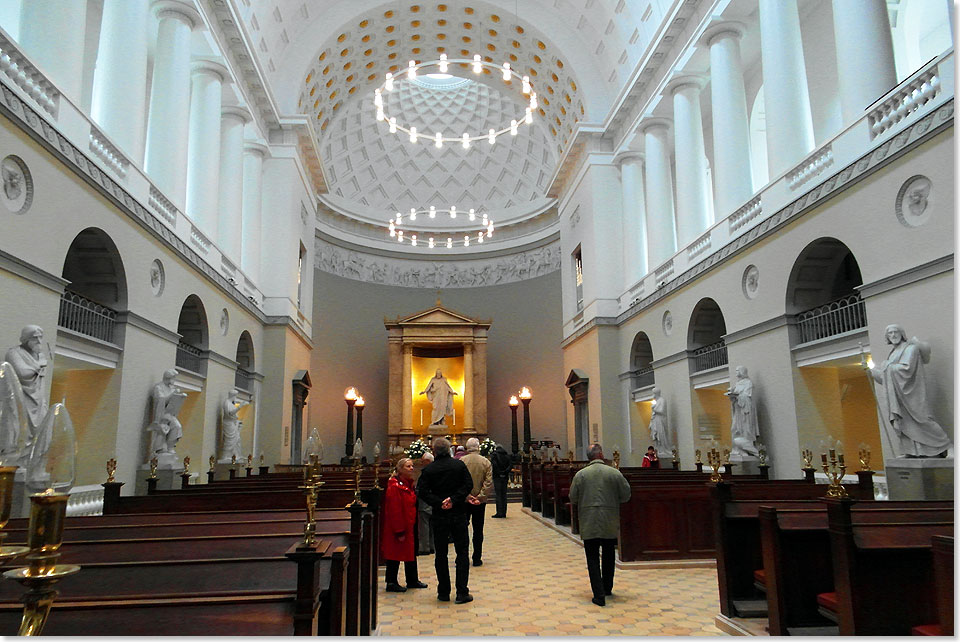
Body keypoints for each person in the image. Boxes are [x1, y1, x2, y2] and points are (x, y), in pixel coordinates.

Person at [868, 324, 952, 457]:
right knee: (906, 423)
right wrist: (872, 371)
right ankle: (914, 451)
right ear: (887, 337)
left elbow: (906, 369)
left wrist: (886, 368)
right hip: (898, 396)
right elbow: (886, 379)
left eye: (896, 332)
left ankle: (942, 445)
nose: (893, 335)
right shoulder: (892, 354)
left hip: (912, 393)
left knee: (922, 419)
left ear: (902, 334)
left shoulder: (910, 349)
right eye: (890, 333)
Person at [568, 443, 631, 607]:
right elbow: (626, 495)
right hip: (609, 517)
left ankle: (598, 594)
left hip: (589, 518)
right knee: (609, 553)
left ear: (588, 457)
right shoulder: (614, 473)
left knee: (592, 557)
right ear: (601, 455)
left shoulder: (581, 475)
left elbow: (573, 497)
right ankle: (607, 587)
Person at [416, 437, 474, 604]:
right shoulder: (459, 465)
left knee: (440, 554)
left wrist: (439, 502)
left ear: (434, 451)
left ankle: (443, 592)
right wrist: (454, 500)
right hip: (458, 514)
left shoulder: (429, 469)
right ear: (450, 449)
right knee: (462, 552)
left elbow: (422, 491)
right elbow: (468, 485)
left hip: (439, 515)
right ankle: (462, 592)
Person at [380, 458, 427, 592]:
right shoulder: (394, 487)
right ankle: (391, 582)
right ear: (400, 470)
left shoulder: (407, 484)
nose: (412, 468)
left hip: (409, 524)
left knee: (410, 552)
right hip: (399, 526)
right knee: (395, 554)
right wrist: (399, 530)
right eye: (408, 466)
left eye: (412, 466)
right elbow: (395, 510)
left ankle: (412, 579)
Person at [4, 325, 48, 459]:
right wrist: (38, 367)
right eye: (35, 338)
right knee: (20, 432)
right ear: (26, 338)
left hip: (38, 401)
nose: (39, 342)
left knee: (40, 433)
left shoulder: (40, 355)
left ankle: (32, 463)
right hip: (22, 399)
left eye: (41, 338)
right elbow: (22, 373)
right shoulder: (14, 353)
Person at [460, 437, 493, 566]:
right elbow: (488, 482)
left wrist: (467, 496)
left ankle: (463, 557)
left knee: (463, 529)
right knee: (478, 530)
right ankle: (477, 558)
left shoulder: (462, 461)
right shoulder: (485, 462)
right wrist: (480, 496)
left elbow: (459, 481)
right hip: (480, 502)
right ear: (478, 447)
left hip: (465, 501)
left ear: (467, 447)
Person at [147, 369, 187, 458]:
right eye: (173, 378)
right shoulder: (159, 387)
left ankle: (170, 447)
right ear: (168, 378)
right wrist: (172, 395)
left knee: (177, 426)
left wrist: (179, 397)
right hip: (161, 414)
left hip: (170, 413)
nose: (174, 380)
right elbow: (161, 400)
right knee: (162, 430)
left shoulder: (171, 388)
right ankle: (159, 450)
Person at [727, 366, 759, 457]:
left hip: (745, 411)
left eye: (737, 370)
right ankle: (738, 450)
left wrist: (737, 396)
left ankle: (748, 450)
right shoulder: (738, 383)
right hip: (738, 410)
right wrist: (732, 395)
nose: (736, 372)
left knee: (744, 429)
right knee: (734, 429)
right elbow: (736, 398)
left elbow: (748, 396)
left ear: (742, 371)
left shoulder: (748, 383)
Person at [219, 388, 249, 462]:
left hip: (233, 423)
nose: (235, 398)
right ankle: (225, 456)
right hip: (229, 423)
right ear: (233, 396)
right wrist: (240, 406)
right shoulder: (227, 403)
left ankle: (235, 455)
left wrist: (238, 422)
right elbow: (230, 413)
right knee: (230, 439)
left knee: (237, 439)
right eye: (235, 396)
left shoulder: (231, 403)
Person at [416, 451, 435, 555]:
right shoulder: (436, 470)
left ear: (427, 461)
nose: (421, 463)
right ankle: (432, 546)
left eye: (423, 461)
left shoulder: (426, 472)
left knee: (424, 525)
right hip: (434, 501)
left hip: (425, 502)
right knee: (431, 525)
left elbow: (422, 488)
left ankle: (424, 547)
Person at [490, 444, 512, 518]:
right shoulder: (507, 455)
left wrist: (499, 472)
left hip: (497, 477)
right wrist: (505, 472)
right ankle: (504, 513)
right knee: (504, 495)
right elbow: (510, 465)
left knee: (498, 495)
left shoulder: (494, 455)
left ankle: (499, 512)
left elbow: (494, 465)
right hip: (505, 477)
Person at [648, 388, 671, 456]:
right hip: (656, 420)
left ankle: (664, 450)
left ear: (656, 394)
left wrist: (654, 409)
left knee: (661, 435)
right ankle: (659, 450)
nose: (653, 395)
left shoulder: (662, 400)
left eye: (653, 393)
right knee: (656, 436)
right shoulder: (657, 401)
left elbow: (661, 411)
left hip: (660, 421)